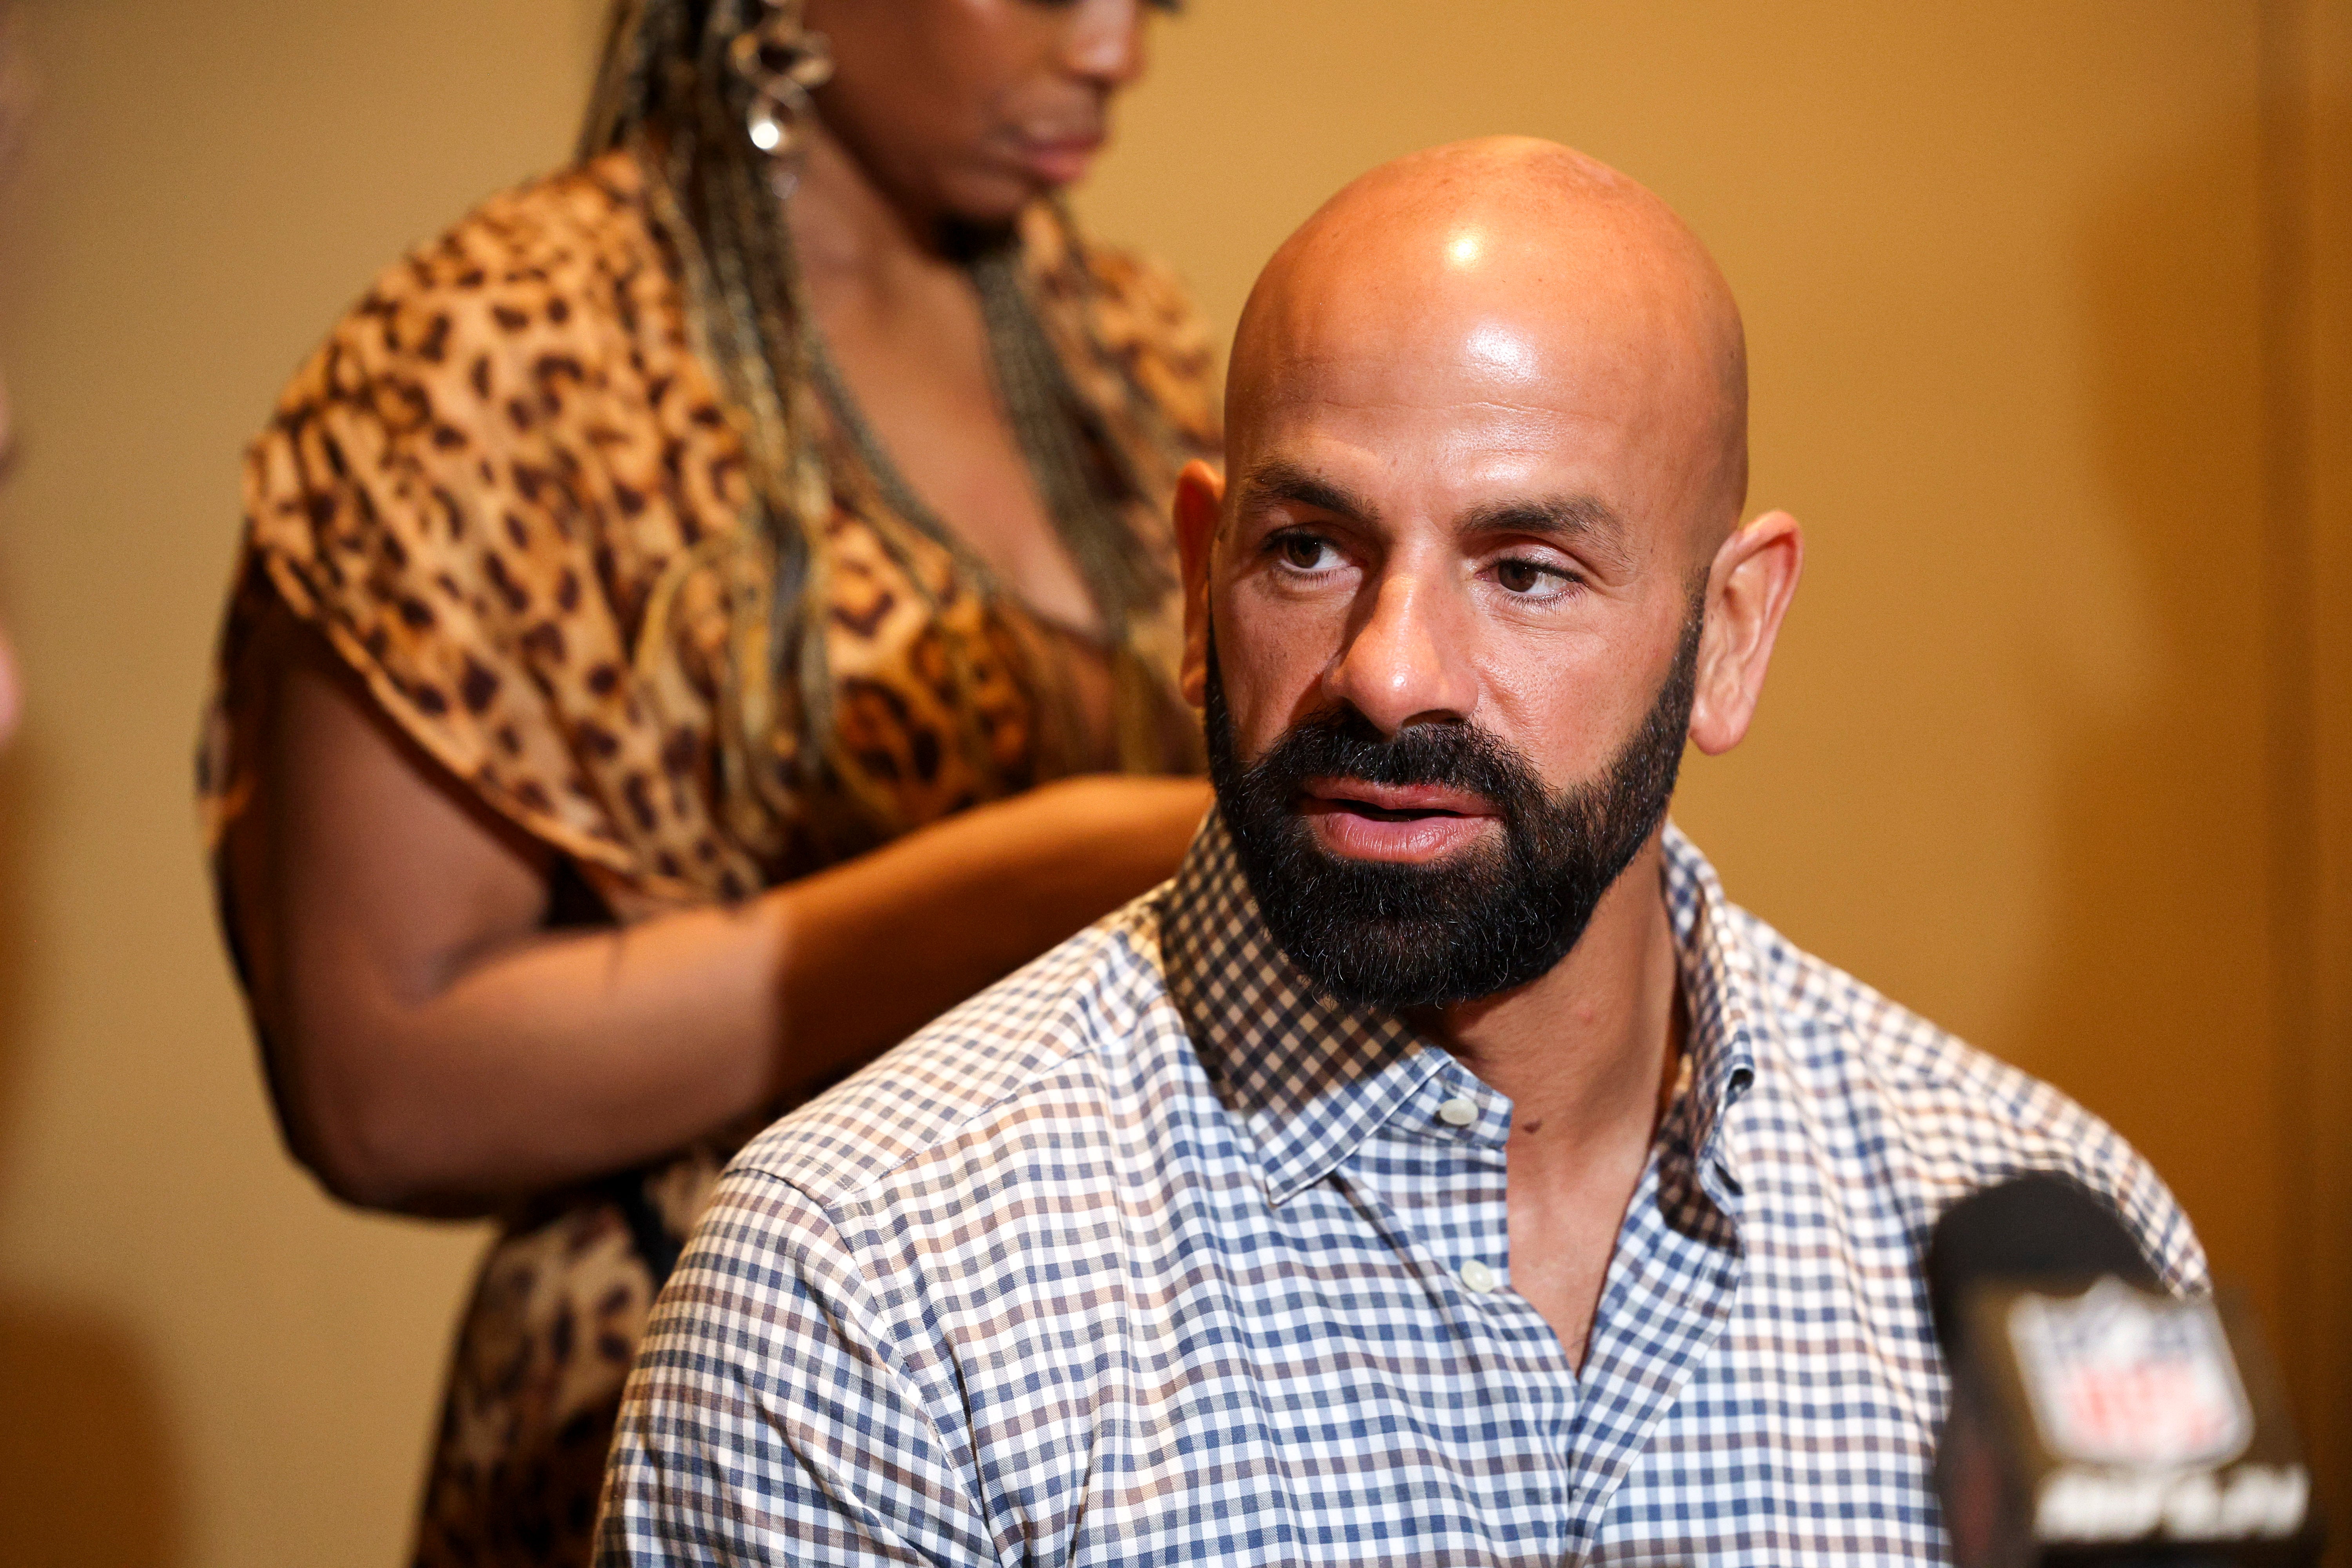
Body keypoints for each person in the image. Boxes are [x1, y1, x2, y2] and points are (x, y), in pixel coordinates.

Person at [596, 138, 2205, 1565]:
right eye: (1309, 550)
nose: (1387, 667)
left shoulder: (2044, 1246)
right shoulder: (867, 1296)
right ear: (1197, 580)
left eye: (1526, 569)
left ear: (1730, 632)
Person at [198, 1, 1214, 1562]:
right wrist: (1042, 878)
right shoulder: (500, 355)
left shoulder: (1126, 345)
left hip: (1102, 1396)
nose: (1114, 52)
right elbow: (378, 1086)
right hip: (681, 1392)